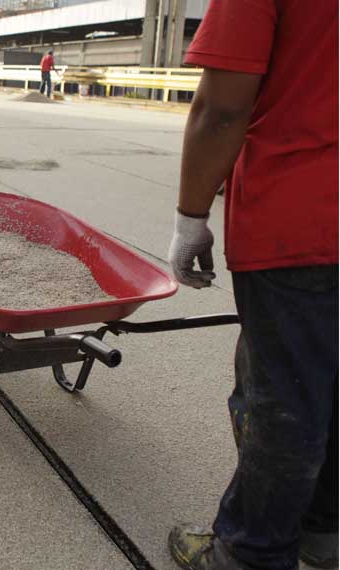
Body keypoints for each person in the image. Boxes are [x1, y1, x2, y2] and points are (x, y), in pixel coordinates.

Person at [164, 0, 338, 569]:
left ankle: (251, 554)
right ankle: (324, 527)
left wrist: (191, 218)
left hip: (305, 220)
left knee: (285, 397)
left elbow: (220, 108)